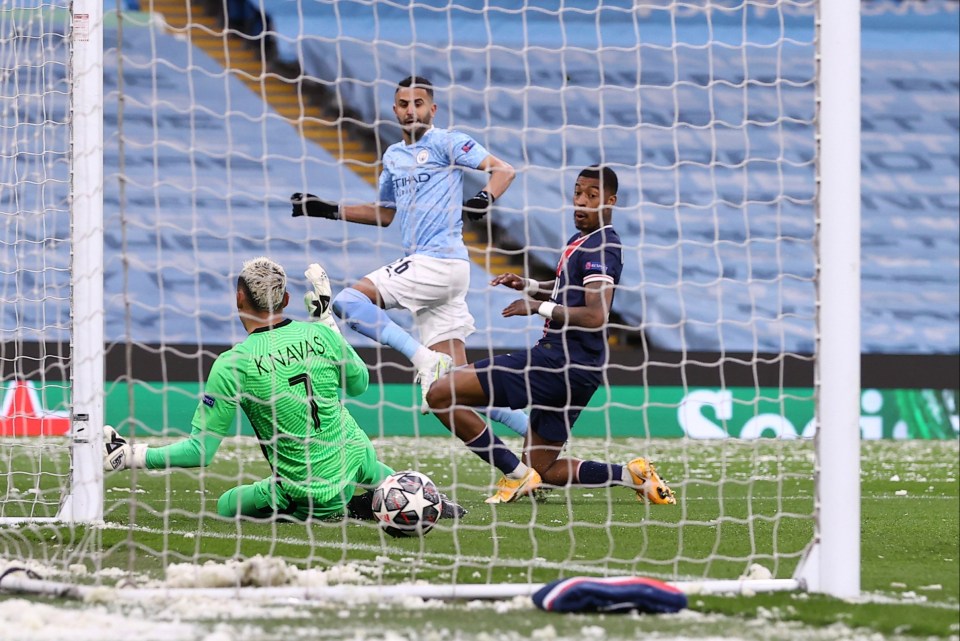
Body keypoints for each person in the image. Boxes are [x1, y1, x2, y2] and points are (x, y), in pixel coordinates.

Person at [102, 256, 463, 521]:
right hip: (356, 457)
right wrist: (326, 322)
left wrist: (131, 455)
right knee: (359, 455)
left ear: (239, 299)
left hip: (308, 492)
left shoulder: (234, 363)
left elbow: (201, 451)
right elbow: (360, 385)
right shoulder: (319, 333)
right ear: (287, 300)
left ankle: (348, 505)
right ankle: (418, 497)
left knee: (227, 506)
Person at [289, 75, 528, 437]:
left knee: (348, 301)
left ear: (432, 109)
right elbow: (385, 214)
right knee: (455, 389)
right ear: (394, 110)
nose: (410, 110)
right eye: (403, 104)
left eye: (418, 103)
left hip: (439, 261)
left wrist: (485, 198)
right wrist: (328, 210)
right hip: (437, 274)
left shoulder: (448, 142)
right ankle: (533, 449)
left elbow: (503, 170)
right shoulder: (393, 156)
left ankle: (422, 358)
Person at [426, 166, 676, 506]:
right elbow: (564, 290)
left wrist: (535, 307)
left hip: (557, 363)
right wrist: (529, 285)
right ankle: (630, 475)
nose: (581, 202)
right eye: (578, 193)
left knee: (442, 394)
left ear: (611, 201)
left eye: (592, 196)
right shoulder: (581, 241)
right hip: (579, 371)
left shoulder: (603, 248)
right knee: (543, 468)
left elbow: (595, 314)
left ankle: (515, 475)